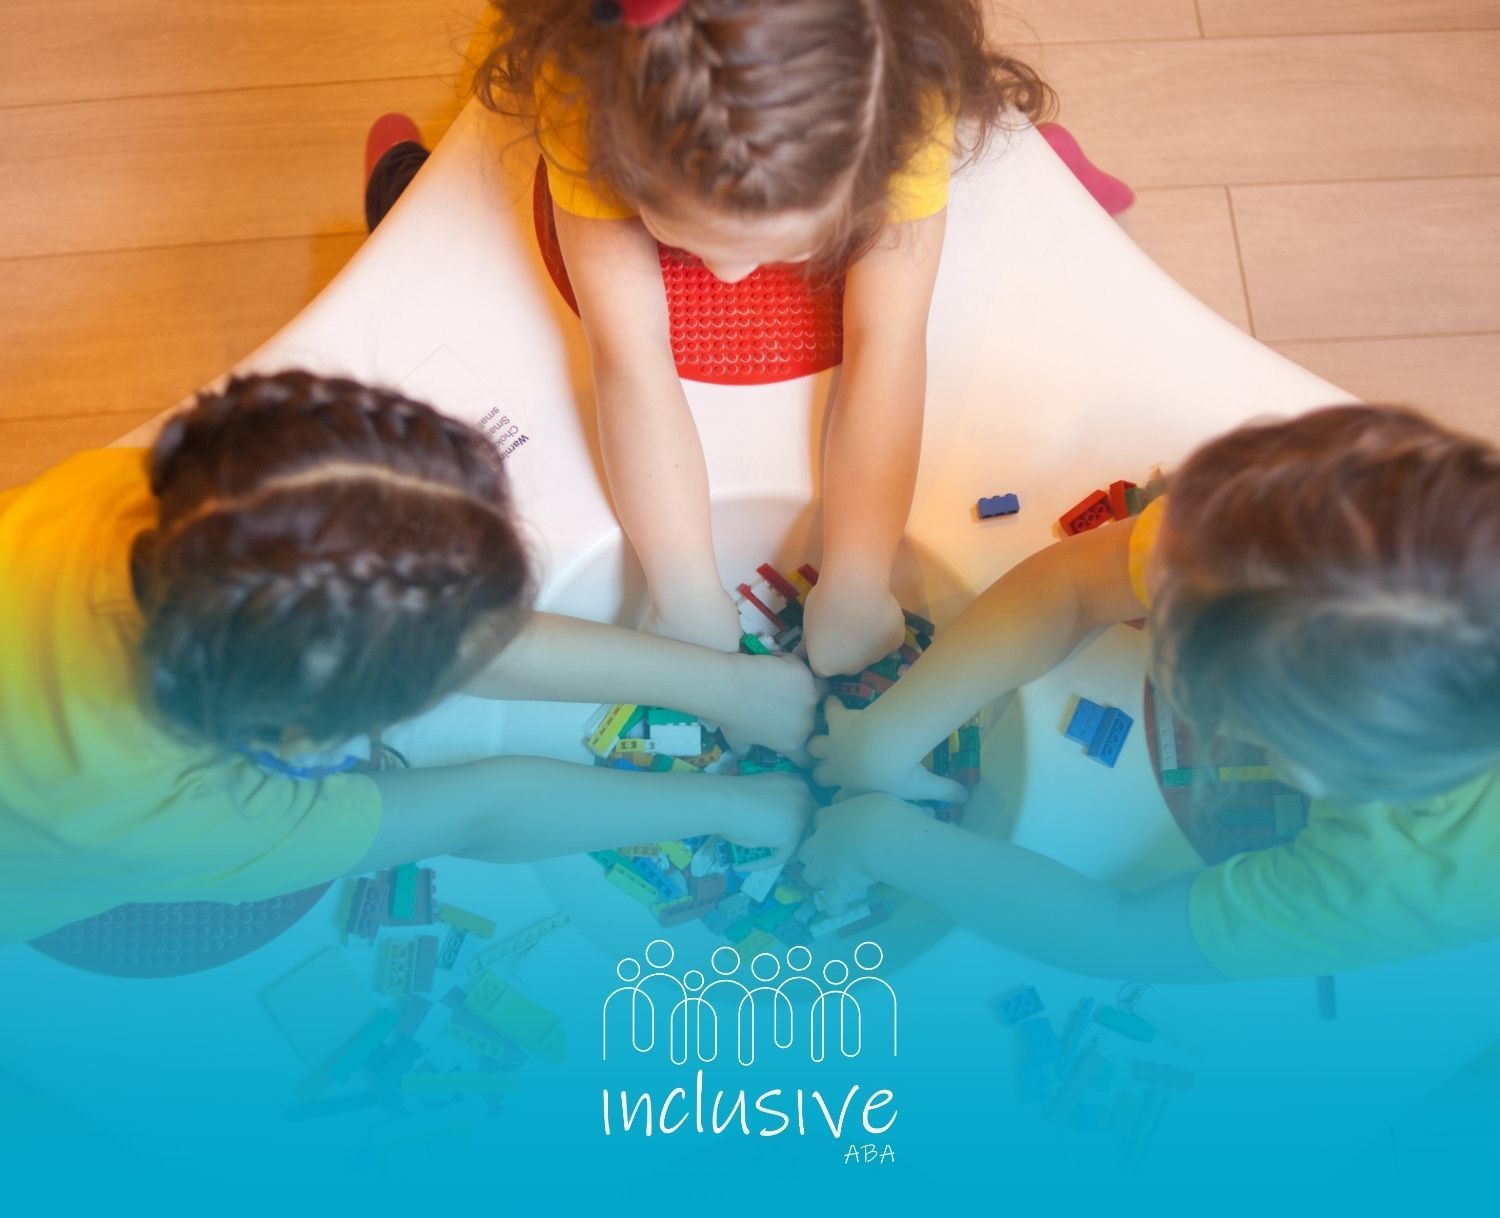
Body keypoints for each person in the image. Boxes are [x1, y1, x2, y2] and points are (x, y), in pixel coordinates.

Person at [0, 371, 816, 944]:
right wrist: (730, 808)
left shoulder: (137, 497)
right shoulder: (175, 814)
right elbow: (478, 812)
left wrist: (730, 684)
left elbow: (412, 614)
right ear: (304, 740)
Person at [799, 405, 1500, 980]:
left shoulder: (1410, 874)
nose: (1131, 583)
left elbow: (1127, 938)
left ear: (1305, 769)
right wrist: (885, 736)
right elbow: (1074, 585)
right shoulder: (1298, 536)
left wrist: (884, 842)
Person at [470, 0, 1051, 675]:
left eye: (789, 247)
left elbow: (890, 336)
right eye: (684, 237)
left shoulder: (905, 102)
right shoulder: (586, 91)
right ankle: (399, 171)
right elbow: (626, 352)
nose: (729, 276)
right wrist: (682, 593)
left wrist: (861, 580)